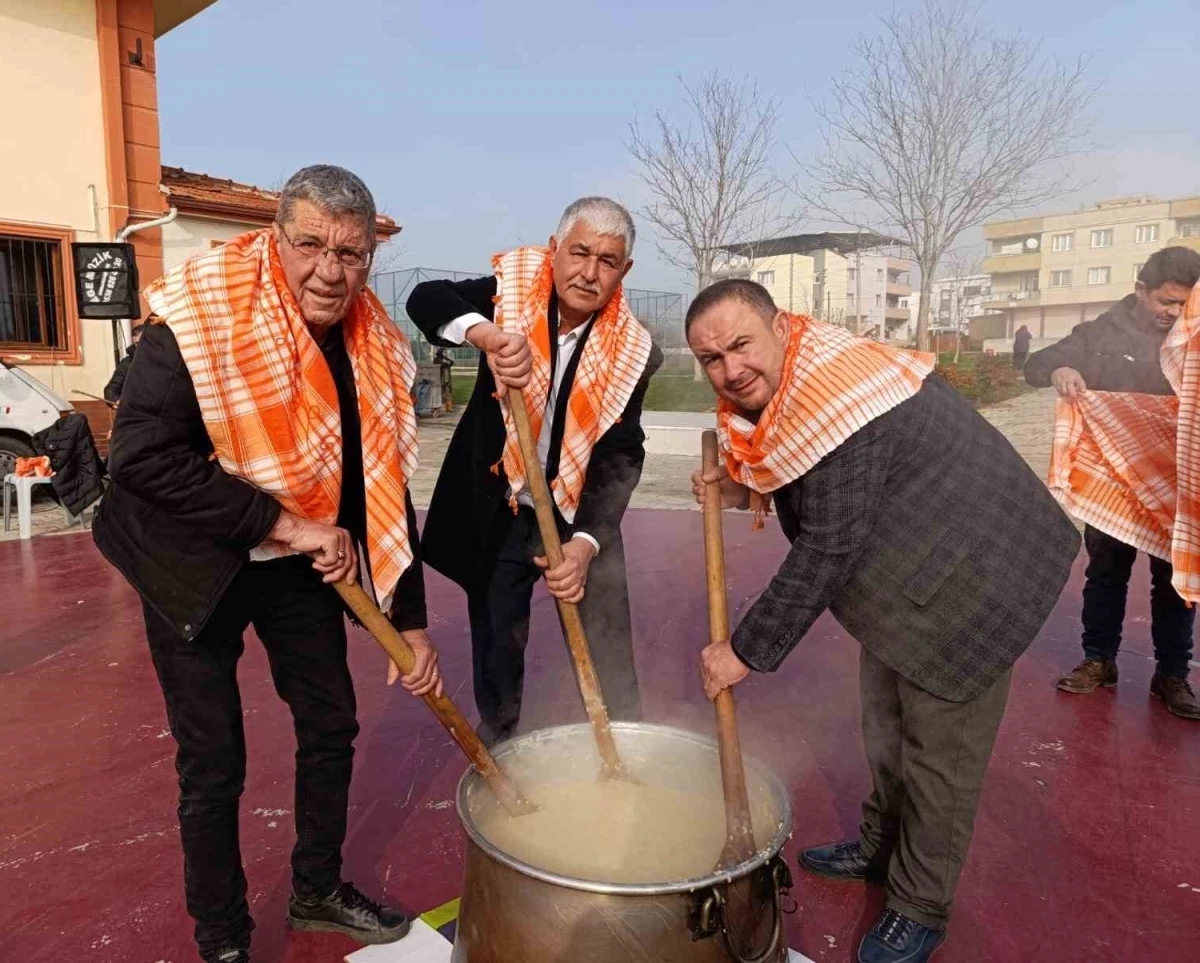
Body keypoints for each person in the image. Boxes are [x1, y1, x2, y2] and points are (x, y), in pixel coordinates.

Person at [93, 166, 441, 963]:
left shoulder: (371, 343)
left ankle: (318, 886)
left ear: (369, 257)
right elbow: (143, 459)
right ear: (276, 238)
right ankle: (222, 939)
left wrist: (410, 620)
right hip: (189, 551)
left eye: (351, 254)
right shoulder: (202, 312)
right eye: (311, 244)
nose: (330, 270)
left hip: (297, 549)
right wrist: (285, 521)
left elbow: (377, 478)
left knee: (331, 719)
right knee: (214, 756)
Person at [687, 280, 1078, 963]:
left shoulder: (841, 389)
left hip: (973, 580)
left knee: (938, 757)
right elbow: (814, 472)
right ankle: (879, 843)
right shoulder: (801, 380)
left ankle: (919, 904)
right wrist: (743, 487)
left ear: (780, 326)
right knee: (886, 723)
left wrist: (744, 649)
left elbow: (831, 541)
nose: (730, 369)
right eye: (712, 359)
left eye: (740, 343)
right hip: (912, 570)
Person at [406, 197, 663, 746]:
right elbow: (426, 298)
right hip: (504, 505)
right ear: (555, 249)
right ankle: (502, 749)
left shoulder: (636, 350)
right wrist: (486, 337)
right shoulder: (512, 294)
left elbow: (621, 452)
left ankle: (624, 746)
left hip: (578, 511)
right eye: (580, 252)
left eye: (608, 261)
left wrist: (587, 543)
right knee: (500, 642)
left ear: (625, 270)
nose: (590, 273)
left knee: (607, 640)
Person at [1025, 246, 1200, 719]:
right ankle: (1098, 660)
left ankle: (1172, 675)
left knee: (1175, 582)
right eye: (1166, 301)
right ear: (1141, 289)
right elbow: (1038, 363)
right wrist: (1060, 370)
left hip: (1175, 482)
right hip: (1113, 482)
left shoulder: (1194, 338)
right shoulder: (1101, 332)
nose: (1173, 313)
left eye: (1183, 304)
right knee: (1106, 574)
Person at [103, 320, 148, 404]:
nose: (140, 346)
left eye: (143, 342)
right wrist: (115, 400)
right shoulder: (127, 363)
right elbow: (111, 389)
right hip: (134, 411)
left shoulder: (162, 359)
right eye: (137, 343)